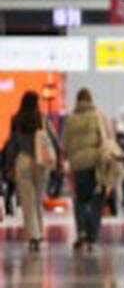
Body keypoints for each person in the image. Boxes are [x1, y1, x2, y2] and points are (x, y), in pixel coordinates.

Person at [6, 91, 58, 253]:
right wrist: (58, 158)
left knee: (27, 201)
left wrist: (9, 165)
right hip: (41, 162)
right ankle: (39, 232)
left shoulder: (16, 120)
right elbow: (54, 140)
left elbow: (12, 145)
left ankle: (34, 235)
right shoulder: (42, 119)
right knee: (38, 199)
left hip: (23, 161)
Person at [61, 88, 109, 252]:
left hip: (77, 165)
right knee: (95, 199)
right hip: (93, 163)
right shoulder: (96, 116)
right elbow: (103, 140)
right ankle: (91, 235)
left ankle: (81, 231)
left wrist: (68, 159)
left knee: (80, 200)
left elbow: (64, 144)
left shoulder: (70, 119)